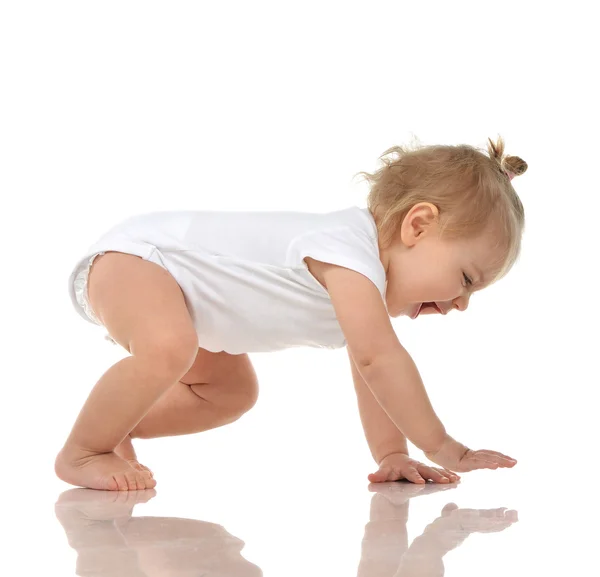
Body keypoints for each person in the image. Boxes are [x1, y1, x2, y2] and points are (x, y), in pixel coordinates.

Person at [55, 135, 525, 491]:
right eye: (465, 279)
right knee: (167, 348)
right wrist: (446, 448)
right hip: (142, 261)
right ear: (417, 226)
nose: (461, 303)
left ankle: (115, 425)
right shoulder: (347, 250)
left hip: (189, 301)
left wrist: (392, 455)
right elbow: (378, 361)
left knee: (231, 393)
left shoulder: (365, 289)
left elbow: (371, 376)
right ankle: (81, 452)